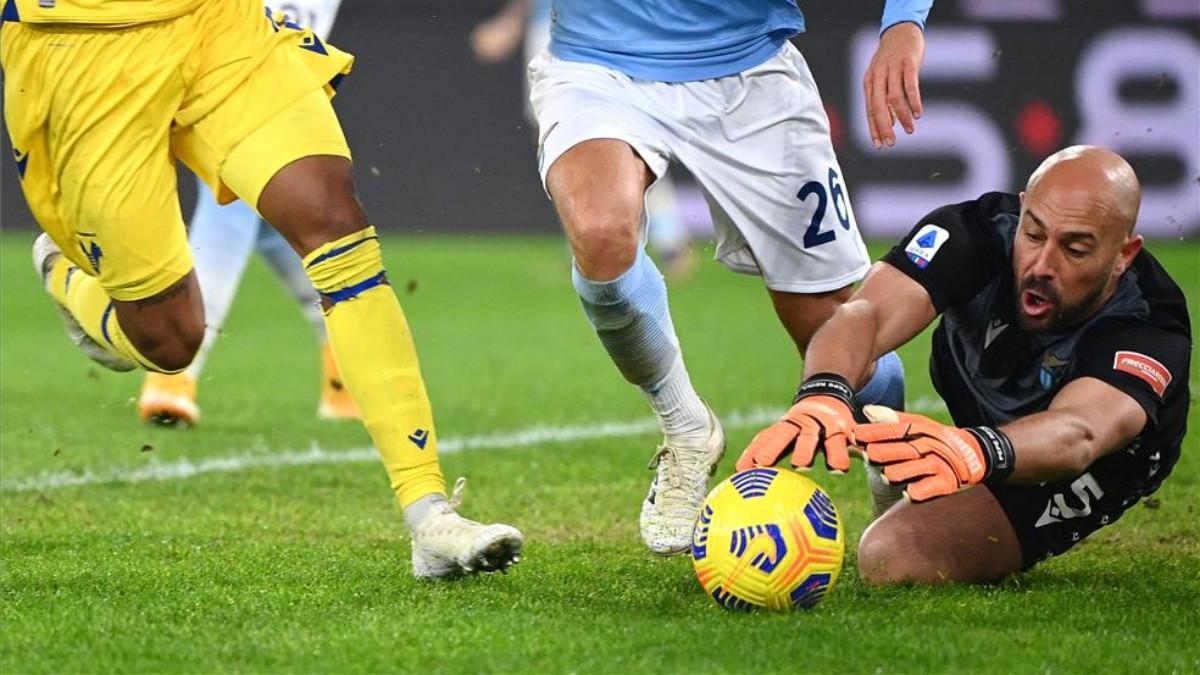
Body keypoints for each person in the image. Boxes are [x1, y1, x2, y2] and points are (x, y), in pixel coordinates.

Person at [4, 0, 521, 578]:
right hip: (81, 50)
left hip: (217, 24)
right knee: (170, 341)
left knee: (333, 222)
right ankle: (67, 276)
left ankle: (428, 512)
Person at [529, 0, 932, 555]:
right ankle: (686, 428)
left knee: (834, 323)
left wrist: (904, 21)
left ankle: (892, 450)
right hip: (597, 64)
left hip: (750, 73)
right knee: (601, 234)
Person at [737, 146, 1191, 584]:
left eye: (1074, 249)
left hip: (1089, 461)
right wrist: (823, 394)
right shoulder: (975, 231)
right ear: (1022, 210)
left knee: (892, 557)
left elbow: (1080, 432)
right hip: (982, 400)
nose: (1042, 265)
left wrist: (978, 450)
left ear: (1123, 256)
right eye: (1033, 234)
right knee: (834, 334)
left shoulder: (1149, 325)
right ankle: (891, 437)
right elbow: (865, 314)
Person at [138, 0, 360, 428]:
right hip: (223, 63)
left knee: (238, 204)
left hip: (256, 79)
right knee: (271, 222)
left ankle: (177, 374)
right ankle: (347, 365)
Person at [471, 0, 701, 281]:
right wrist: (512, 21)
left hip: (596, 25)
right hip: (560, 25)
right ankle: (585, 250)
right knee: (559, 138)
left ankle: (668, 242)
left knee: (625, 133)